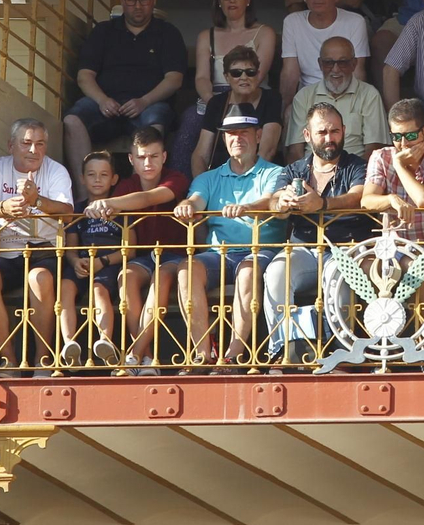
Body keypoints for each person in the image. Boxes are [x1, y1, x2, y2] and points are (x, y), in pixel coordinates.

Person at [171, 104, 287, 369]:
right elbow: (196, 199)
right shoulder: (209, 178)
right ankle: (203, 354)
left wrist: (247, 207)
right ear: (224, 138)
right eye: (232, 133)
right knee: (187, 269)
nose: (238, 138)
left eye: (244, 132)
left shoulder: (275, 172)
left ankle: (232, 355)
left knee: (247, 271)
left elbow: (272, 199)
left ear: (259, 135)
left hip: (261, 251)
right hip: (219, 255)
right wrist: (186, 206)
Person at [266, 102, 375, 363]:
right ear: (307, 135)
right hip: (303, 249)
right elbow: (274, 201)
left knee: (337, 273)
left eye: (334, 131)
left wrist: (323, 204)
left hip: (346, 247)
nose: (329, 138)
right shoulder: (293, 170)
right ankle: (283, 351)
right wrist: (282, 203)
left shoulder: (357, 165)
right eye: (322, 132)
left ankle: (342, 353)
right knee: (276, 272)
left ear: (344, 131)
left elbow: (358, 197)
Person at [62, 0, 187, 194]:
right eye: (131, 0)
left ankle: (140, 197)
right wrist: (102, 100)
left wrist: (144, 101)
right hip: (105, 105)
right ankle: (84, 197)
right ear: (122, 0)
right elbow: (84, 76)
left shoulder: (168, 33)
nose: (137, 6)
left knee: (155, 123)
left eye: (143, 0)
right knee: (72, 120)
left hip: (148, 106)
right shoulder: (103, 31)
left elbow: (174, 79)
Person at [0, 118, 75, 370]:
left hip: (44, 251)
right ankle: (8, 360)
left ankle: (43, 361)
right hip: (5, 251)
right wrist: (3, 207)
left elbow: (67, 213)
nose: (33, 150)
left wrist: (36, 200)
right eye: (26, 143)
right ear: (11, 145)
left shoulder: (56, 171)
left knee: (38, 279)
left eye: (40, 144)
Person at [90, 127, 189, 374]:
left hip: (174, 255)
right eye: (141, 157)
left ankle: (133, 354)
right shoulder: (126, 185)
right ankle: (146, 358)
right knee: (126, 278)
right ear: (131, 159)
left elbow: (149, 198)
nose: (148, 163)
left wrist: (109, 202)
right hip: (143, 256)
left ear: (164, 157)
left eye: (154, 156)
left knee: (161, 279)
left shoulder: (176, 178)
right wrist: (105, 207)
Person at [171, 0, 277, 179]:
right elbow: (201, 78)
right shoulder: (206, 36)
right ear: (218, 1)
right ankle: (186, 186)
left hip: (251, 93)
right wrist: (214, 103)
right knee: (190, 121)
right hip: (214, 97)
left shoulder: (265, 33)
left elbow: (256, 75)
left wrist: (232, 102)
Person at [63, 151, 133, 367]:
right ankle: (69, 344)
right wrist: (75, 261)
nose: (97, 180)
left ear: (114, 179)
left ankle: (104, 341)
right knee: (65, 287)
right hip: (83, 263)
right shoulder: (77, 210)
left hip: (108, 263)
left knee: (98, 290)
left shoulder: (122, 209)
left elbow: (130, 249)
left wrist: (103, 262)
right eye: (91, 174)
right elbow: (70, 248)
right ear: (82, 178)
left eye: (104, 175)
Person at [361, 97, 424, 246]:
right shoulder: (381, 157)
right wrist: (391, 199)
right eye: (396, 137)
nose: (403, 144)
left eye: (410, 136)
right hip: (394, 246)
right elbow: (366, 201)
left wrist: (399, 165)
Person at [283, 36, 386, 162]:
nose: (336, 69)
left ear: (354, 64)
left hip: (355, 169)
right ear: (320, 64)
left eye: (343, 62)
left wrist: (351, 172)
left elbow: (374, 150)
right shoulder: (303, 96)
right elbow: (295, 152)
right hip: (312, 170)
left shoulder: (369, 95)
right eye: (329, 63)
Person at [191, 46, 283, 175]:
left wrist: (245, 182)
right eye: (236, 73)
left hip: (259, 176)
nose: (244, 77)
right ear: (226, 77)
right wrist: (201, 184)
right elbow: (201, 155)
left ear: (257, 75)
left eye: (250, 72)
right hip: (220, 176)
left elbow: (267, 151)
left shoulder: (271, 98)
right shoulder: (217, 103)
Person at [279, 0, 370, 96]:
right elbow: (290, 72)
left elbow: (357, 71)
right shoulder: (292, 22)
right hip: (307, 97)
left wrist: (356, 103)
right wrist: (286, 105)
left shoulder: (355, 22)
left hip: (344, 95)